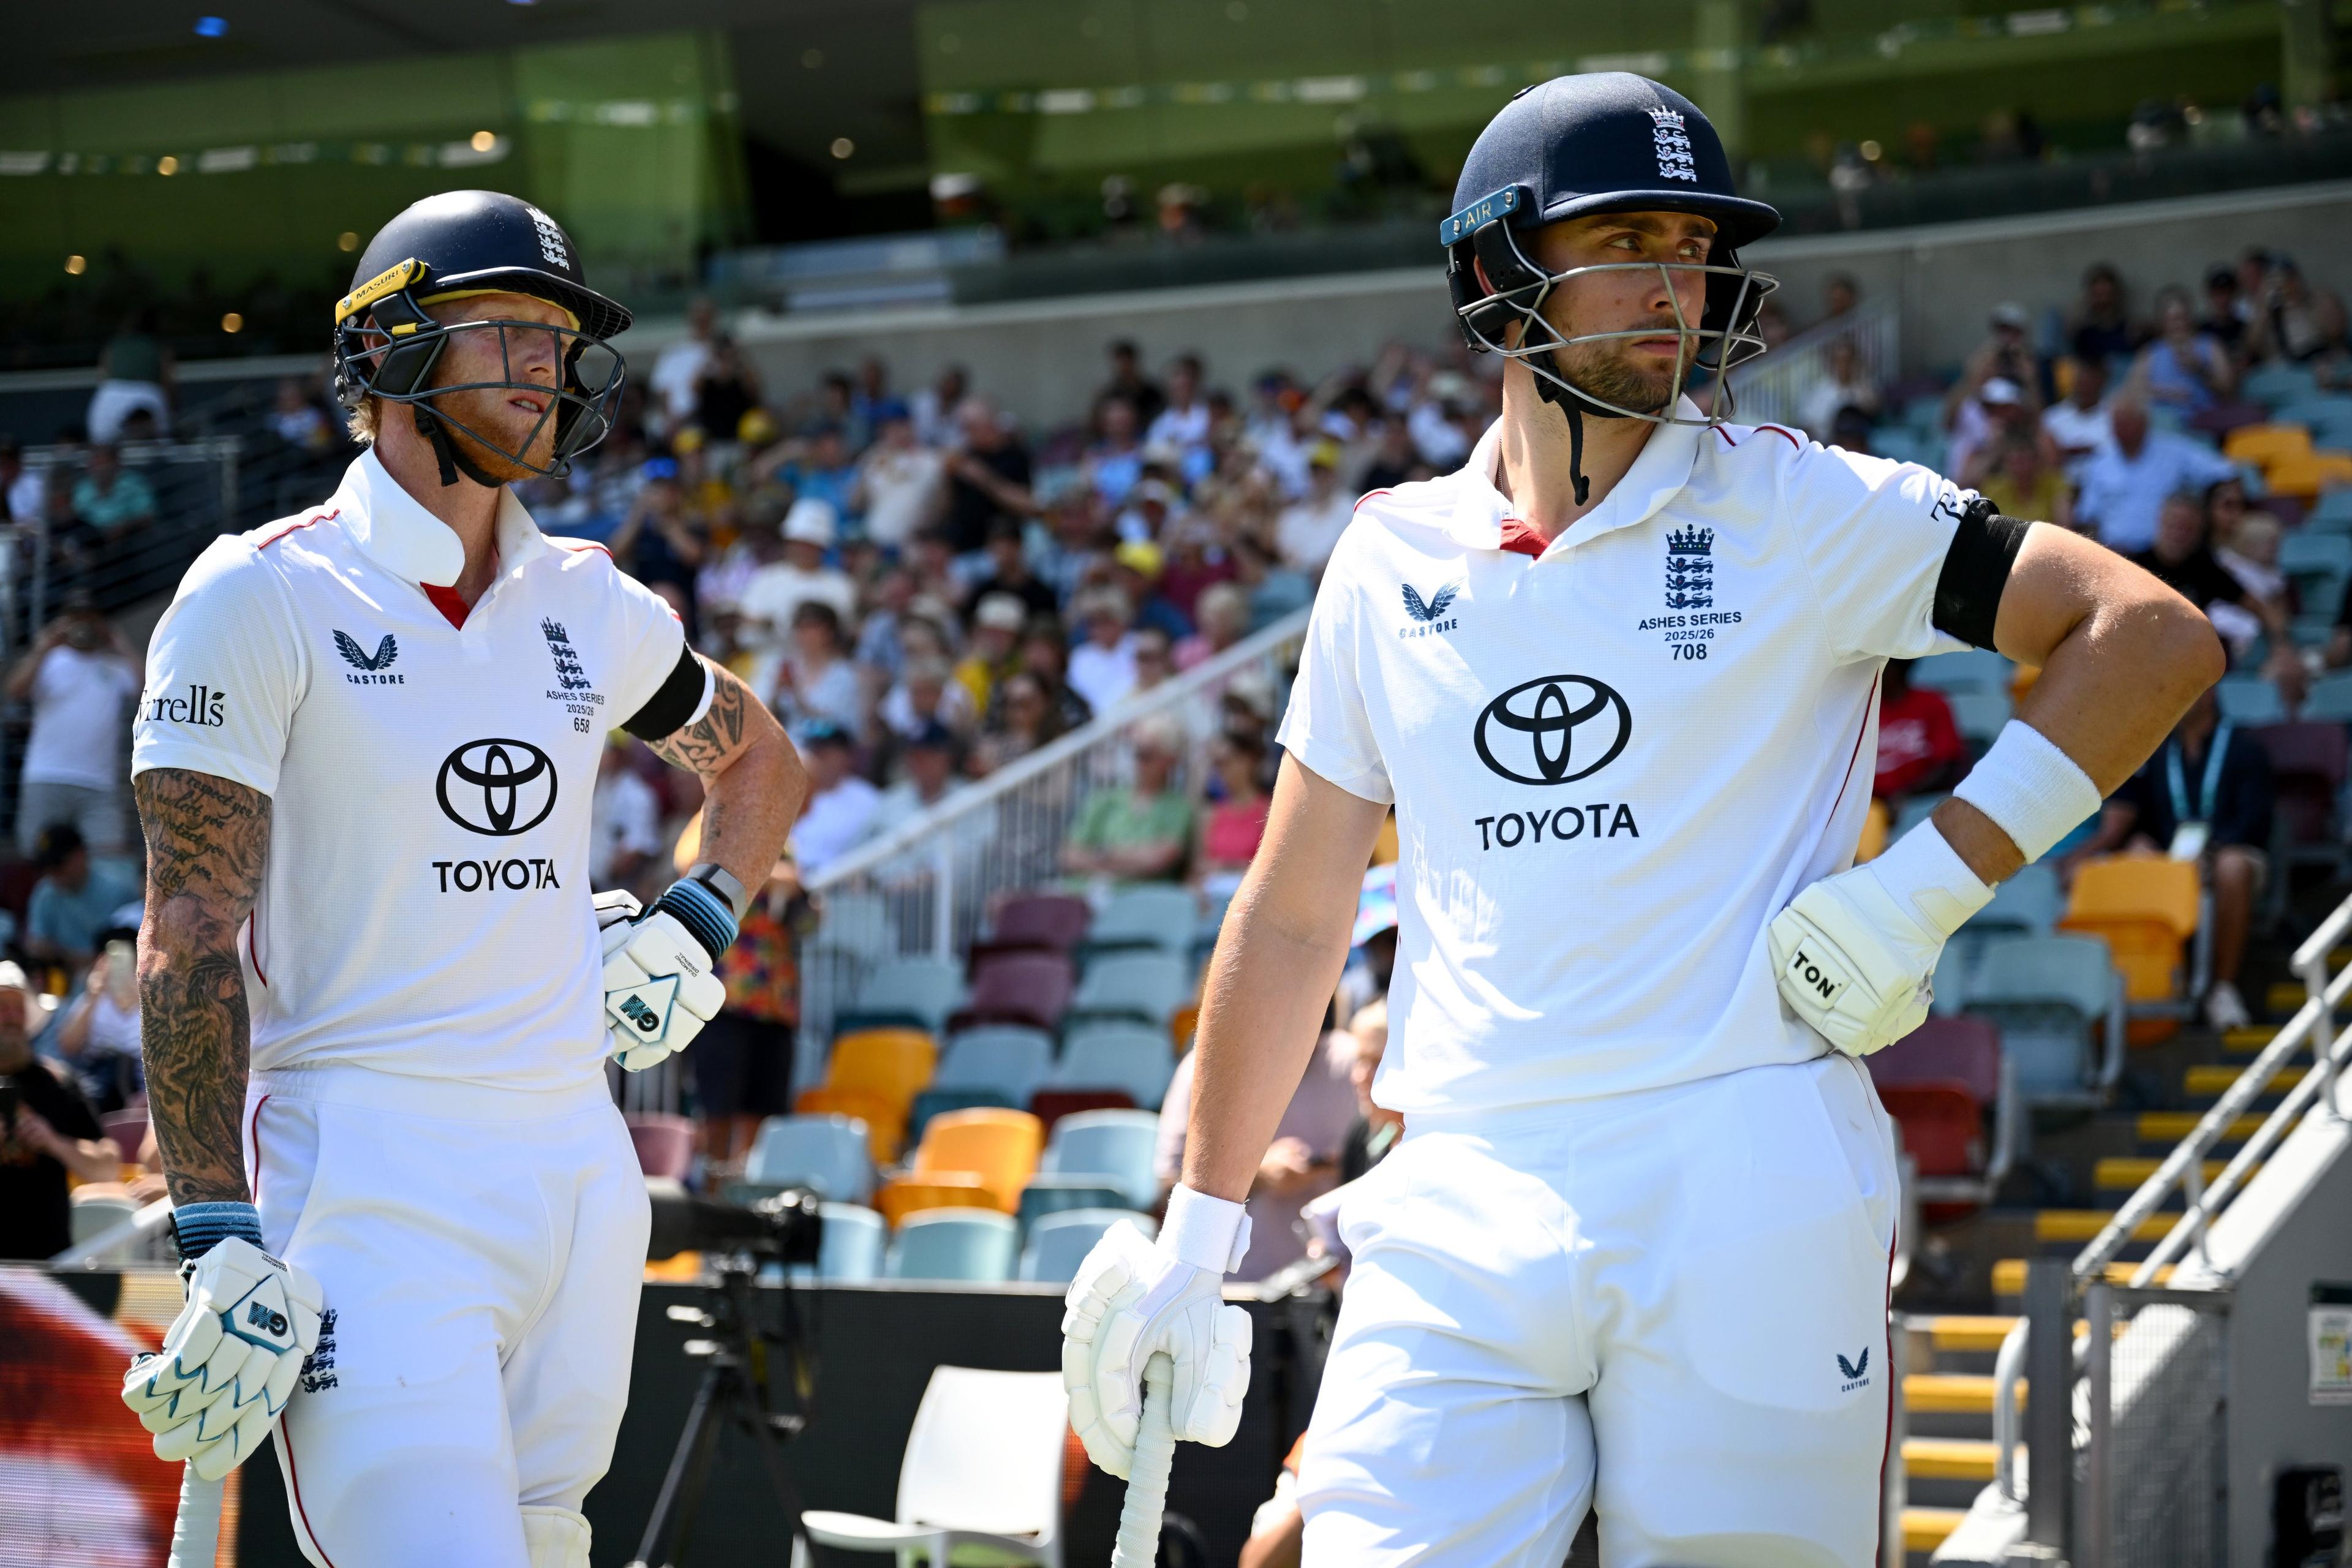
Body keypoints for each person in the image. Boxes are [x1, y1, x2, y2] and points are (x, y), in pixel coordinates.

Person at [1058, 75, 2219, 1568]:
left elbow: (2145, 630)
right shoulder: (1381, 555)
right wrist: (1197, 1235)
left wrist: (1919, 888)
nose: (1676, 281)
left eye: (1695, 242)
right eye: (1629, 237)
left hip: (1746, 1162)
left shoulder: (1809, 507)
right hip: (1457, 1179)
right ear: (1494, 271)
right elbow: (1289, 913)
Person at [118, 190, 804, 1567]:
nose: (543, 369)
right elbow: (189, 934)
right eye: (506, 334)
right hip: (364, 1176)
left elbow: (764, 765)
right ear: (387, 355)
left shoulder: (593, 600)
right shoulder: (256, 593)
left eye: (558, 342)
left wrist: (699, 913)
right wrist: (214, 1229)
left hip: (578, 1169)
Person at [2059, 688, 2269, 1028]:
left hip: (2229, 854)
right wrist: (2144, 843)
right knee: (2127, 861)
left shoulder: (2245, 748)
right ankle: (2150, 989)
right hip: (2173, 862)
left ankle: (2223, 988)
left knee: (2232, 866)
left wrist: (2209, 852)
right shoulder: (2159, 754)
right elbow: (2144, 823)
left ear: (2210, 694)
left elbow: (2254, 823)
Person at [693, 850, 807, 1167]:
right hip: (725, 1000)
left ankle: (742, 1199)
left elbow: (809, 921)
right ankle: (710, 1197)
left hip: (774, 1005)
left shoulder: (787, 842)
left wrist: (800, 893)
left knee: (762, 1114)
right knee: (717, 1110)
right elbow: (697, 868)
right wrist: (775, 875)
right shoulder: (709, 818)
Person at [1, 961, 119, 1261]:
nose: (11, 1017)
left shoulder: (59, 1082)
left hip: (50, 1272)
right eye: (2, 1007)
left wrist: (52, 1141)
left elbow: (108, 1166)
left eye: (18, 1007)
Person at [7, 594, 140, 855]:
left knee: (109, 861)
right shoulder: (50, 660)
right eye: (76, 619)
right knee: (36, 859)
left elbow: (148, 687)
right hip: (47, 776)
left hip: (99, 783)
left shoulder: (114, 666)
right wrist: (43, 647)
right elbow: (15, 690)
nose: (84, 626)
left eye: (90, 619)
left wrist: (119, 642)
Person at [2072, 399, 2234, 552]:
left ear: (2143, 423)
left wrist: (2221, 503)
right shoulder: (2100, 463)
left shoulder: (2174, 452)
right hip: (2114, 554)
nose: (2121, 430)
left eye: (2127, 423)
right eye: (2117, 424)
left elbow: (2225, 470)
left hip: (2164, 556)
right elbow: (2088, 517)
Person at [738, 497, 856, 699]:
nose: (802, 549)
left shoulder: (841, 586)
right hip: (769, 663)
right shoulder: (766, 578)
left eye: (810, 543)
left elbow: (841, 638)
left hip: (821, 671)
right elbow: (746, 632)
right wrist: (766, 626)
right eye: (797, 542)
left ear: (823, 545)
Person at [1061, 717, 1193, 883]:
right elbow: (1070, 856)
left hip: (1142, 901)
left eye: (1146, 754)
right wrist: (1126, 860)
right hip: (1087, 896)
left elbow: (1160, 859)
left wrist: (1103, 855)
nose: (1137, 761)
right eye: (1136, 753)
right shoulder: (1104, 799)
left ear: (1169, 761)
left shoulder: (1179, 808)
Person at [24, 823, 136, 970]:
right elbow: (35, 944)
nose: (52, 873)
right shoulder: (45, 892)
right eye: (46, 867)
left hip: (112, 978)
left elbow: (128, 951)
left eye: (58, 864)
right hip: (63, 980)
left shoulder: (118, 889)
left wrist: (63, 954)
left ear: (80, 855)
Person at [53, 938, 145, 1114]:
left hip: (144, 1092)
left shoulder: (154, 1004)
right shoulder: (92, 1000)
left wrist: (142, 998)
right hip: (99, 1090)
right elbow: (67, 1046)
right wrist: (92, 994)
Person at [2128, 285, 2236, 421]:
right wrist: (2167, 394)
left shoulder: (2209, 345)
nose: (2179, 324)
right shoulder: (2150, 353)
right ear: (2162, 322)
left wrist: (2200, 370)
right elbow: (2133, 393)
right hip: (2162, 423)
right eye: (2173, 319)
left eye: (2183, 317)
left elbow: (2229, 390)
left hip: (2204, 422)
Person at [788, 718, 879, 875]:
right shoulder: (792, 792)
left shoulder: (868, 799)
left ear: (848, 756)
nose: (818, 757)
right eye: (813, 750)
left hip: (844, 887)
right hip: (792, 880)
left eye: (826, 752)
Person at [1874, 660, 1968, 803]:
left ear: (1897, 670)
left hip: (1920, 801)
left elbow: (1947, 763)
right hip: (1871, 804)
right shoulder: (1864, 709)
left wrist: (1907, 795)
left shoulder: (1932, 703)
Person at [852, 406, 945, 549]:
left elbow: (940, 508)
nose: (892, 433)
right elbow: (855, 504)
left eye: (898, 426)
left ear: (910, 426)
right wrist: (866, 467)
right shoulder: (874, 457)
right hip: (874, 544)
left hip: (910, 546)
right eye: (887, 428)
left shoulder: (930, 460)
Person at [1196, 728, 1272, 896]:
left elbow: (1272, 866)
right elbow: (1198, 868)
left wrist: (1225, 866)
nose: (1220, 770)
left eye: (1225, 762)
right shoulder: (1211, 814)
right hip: (1213, 899)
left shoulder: (1269, 811)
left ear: (1247, 761)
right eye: (1216, 764)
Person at [87, 308, 175, 443]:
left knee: (104, 447)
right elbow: (167, 382)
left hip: (110, 396)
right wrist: (173, 413)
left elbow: (102, 375)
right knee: (161, 449)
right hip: (146, 395)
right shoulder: (159, 347)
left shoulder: (113, 345)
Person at [587, 734, 661, 891]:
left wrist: (598, 884)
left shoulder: (638, 795)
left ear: (618, 753)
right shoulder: (596, 788)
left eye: (604, 750)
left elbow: (634, 852)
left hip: (610, 891)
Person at [1273, 440, 1355, 574]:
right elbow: (1287, 554)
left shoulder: (1352, 508)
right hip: (1301, 582)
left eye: (1326, 472)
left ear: (1336, 474)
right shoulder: (1294, 515)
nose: (1320, 478)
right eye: (1316, 472)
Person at [1066, 587, 1140, 714]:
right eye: (1092, 622)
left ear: (1121, 618)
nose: (1099, 628)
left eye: (1105, 620)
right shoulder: (1080, 658)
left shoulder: (1140, 645)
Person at [2040, 356, 2114, 480]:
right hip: (2061, 485)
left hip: (2104, 485)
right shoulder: (2052, 417)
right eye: (2081, 382)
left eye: (2090, 383)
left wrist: (2089, 451)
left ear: (2101, 383)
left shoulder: (2114, 417)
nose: (2085, 388)